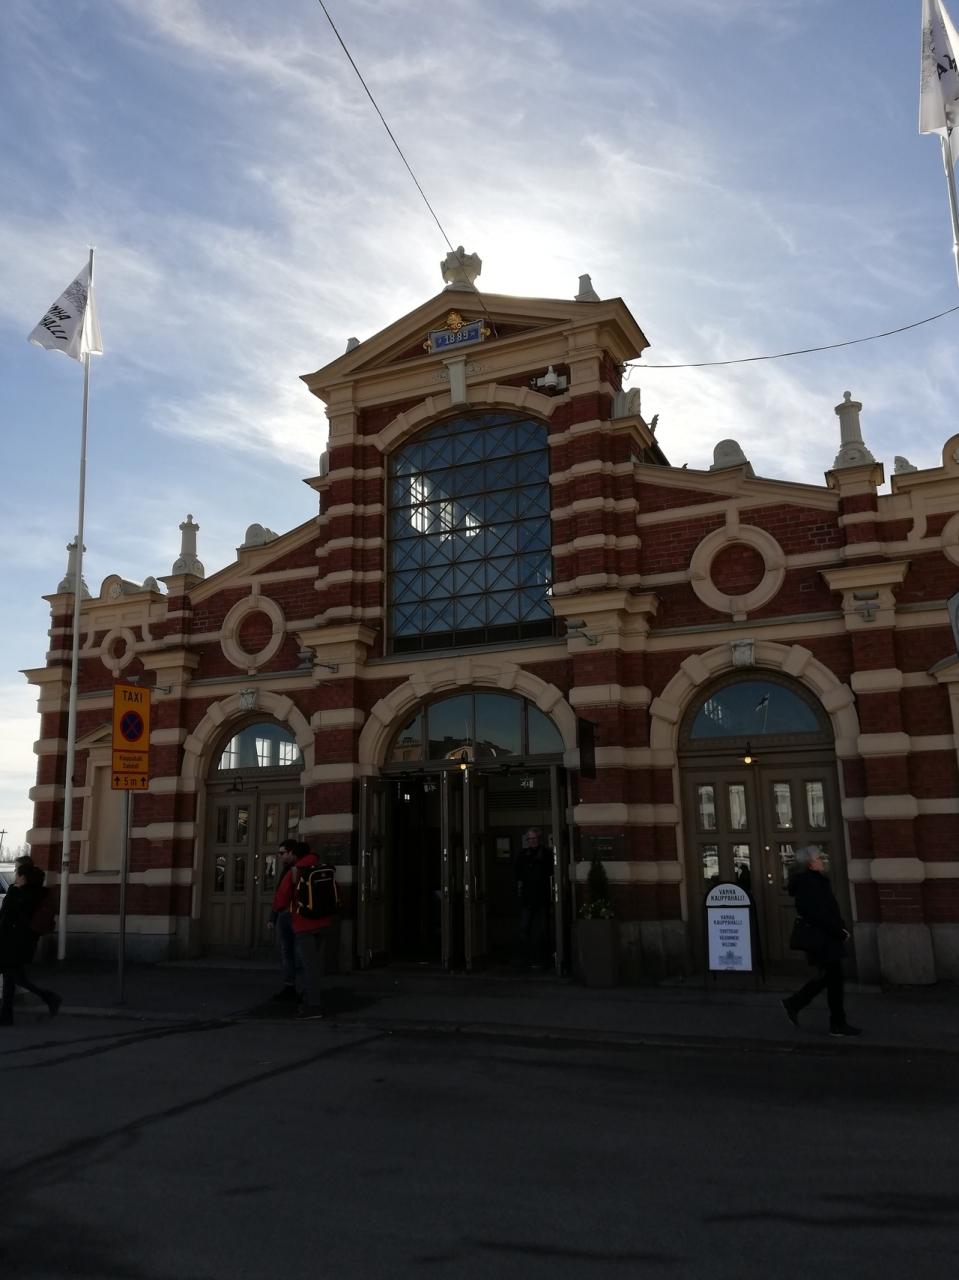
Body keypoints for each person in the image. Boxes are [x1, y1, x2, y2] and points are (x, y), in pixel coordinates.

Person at [782, 845, 861, 1037]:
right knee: (833, 978)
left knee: (831, 978)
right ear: (810, 863)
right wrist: (839, 931)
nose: (822, 861)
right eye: (818, 858)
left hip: (825, 936)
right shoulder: (810, 883)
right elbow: (817, 913)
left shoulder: (814, 881)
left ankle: (798, 1005)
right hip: (822, 937)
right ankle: (834, 1022)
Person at [0, 860, 62, 1026]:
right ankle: (6, 1015)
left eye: (17, 873)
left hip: (11, 942)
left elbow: (5, 915)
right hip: (25, 943)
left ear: (23, 877)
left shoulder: (17, 893)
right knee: (12, 977)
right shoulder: (38, 894)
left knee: (14, 977)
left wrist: (12, 892)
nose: (15, 876)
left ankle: (49, 997)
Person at [289, 841, 335, 1020]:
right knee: (316, 966)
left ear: (295, 855)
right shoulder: (323, 869)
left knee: (309, 967)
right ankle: (311, 999)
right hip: (324, 923)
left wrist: (276, 913)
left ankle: (313, 1006)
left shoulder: (296, 871)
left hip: (304, 924)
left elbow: (283, 896)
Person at [267, 839, 301, 1001]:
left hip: (290, 916)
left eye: (282, 853)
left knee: (291, 952)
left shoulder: (293, 870)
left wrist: (273, 917)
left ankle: (292, 987)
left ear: (291, 852)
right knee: (291, 952)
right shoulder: (289, 869)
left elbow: (280, 896)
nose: (279, 856)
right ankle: (294, 987)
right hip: (293, 915)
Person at [514, 829, 553, 969]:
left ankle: (543, 959)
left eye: (534, 838)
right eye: (530, 839)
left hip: (542, 897)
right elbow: (518, 874)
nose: (532, 841)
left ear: (538, 838)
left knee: (543, 930)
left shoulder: (546, 854)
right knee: (524, 929)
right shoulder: (523, 855)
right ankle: (526, 958)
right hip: (528, 898)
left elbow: (550, 872)